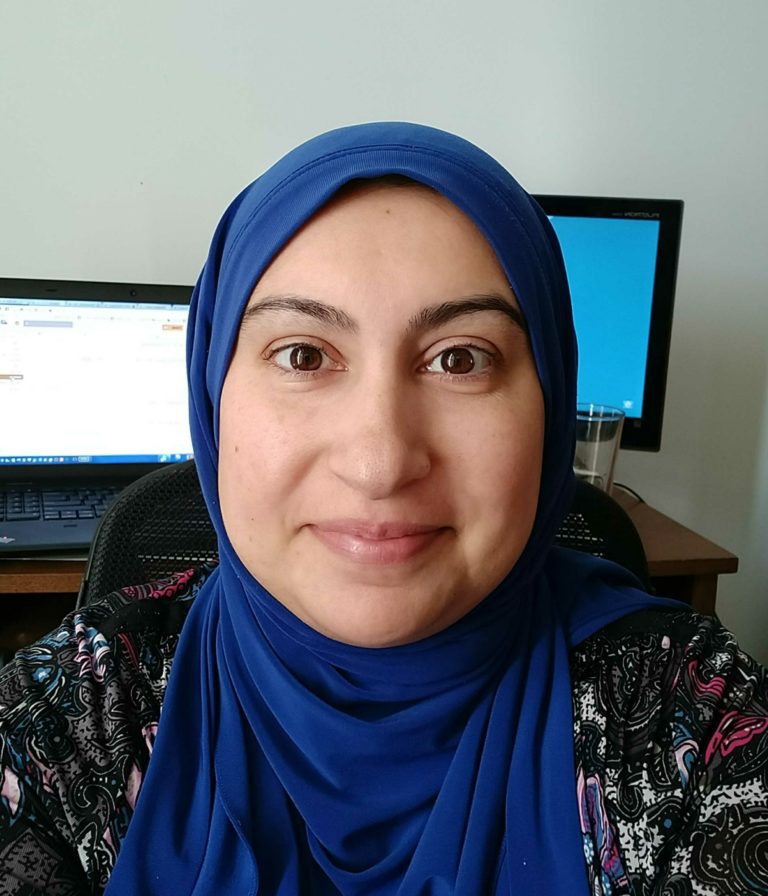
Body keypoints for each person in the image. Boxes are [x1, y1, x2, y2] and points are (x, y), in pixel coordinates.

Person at [1, 122, 767, 896]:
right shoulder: (73, 715)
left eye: (460, 358)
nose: (379, 462)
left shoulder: (692, 717)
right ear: (213, 400)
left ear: (551, 403)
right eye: (302, 354)